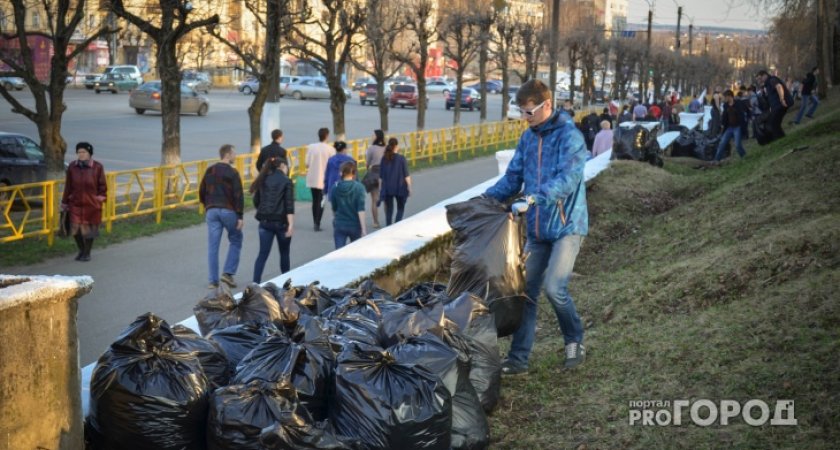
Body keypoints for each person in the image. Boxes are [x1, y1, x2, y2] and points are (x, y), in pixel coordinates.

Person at [483, 79, 588, 375]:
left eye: (530, 112)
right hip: (538, 230)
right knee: (525, 294)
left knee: (555, 288)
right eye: (522, 112)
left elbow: (568, 180)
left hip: (568, 226)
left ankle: (574, 340)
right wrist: (483, 201)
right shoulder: (528, 139)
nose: (525, 119)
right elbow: (512, 178)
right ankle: (518, 359)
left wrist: (533, 199)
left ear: (547, 105)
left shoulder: (570, 137)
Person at [199, 144, 244, 289]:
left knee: (213, 246)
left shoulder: (210, 170)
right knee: (236, 239)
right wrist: (240, 216)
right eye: (234, 153)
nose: (235, 156)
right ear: (228, 154)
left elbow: (202, 190)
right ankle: (228, 273)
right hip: (228, 211)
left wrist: (207, 205)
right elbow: (238, 195)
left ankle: (213, 281)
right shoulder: (233, 172)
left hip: (211, 211)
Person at [251, 157, 295, 283]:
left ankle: (255, 284)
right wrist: (291, 224)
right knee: (284, 253)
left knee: (262, 254)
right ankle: (286, 284)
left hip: (264, 222)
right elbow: (289, 205)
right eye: (287, 166)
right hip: (281, 223)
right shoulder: (286, 181)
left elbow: (256, 201)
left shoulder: (263, 179)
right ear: (282, 166)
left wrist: (263, 211)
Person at [61, 142, 106, 262]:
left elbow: (102, 186)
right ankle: (81, 250)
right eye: (79, 152)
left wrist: (99, 199)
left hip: (92, 204)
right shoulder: (72, 167)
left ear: (89, 153)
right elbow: (68, 186)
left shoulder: (97, 167)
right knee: (75, 229)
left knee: (89, 231)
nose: (81, 154)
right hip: (75, 203)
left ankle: (87, 253)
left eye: (84, 152)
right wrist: (65, 202)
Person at [329, 161, 367, 249]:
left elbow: (334, 207)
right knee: (355, 252)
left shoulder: (335, 187)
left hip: (340, 224)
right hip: (355, 225)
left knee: (339, 252)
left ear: (341, 173)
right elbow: (360, 209)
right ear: (354, 173)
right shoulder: (359, 187)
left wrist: (335, 219)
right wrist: (363, 228)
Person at [305, 127, 335, 231]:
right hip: (324, 178)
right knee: (321, 201)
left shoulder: (311, 147)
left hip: (313, 177)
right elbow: (332, 164)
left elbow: (307, 164)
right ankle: (317, 223)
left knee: (315, 200)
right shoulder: (330, 149)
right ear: (327, 136)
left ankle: (315, 221)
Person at [378, 137, 411, 225]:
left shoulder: (384, 159)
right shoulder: (401, 158)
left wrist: (380, 189)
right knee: (400, 208)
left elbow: (380, 177)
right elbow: (406, 175)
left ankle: (388, 227)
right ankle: (396, 225)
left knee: (389, 210)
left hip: (388, 188)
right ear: (396, 146)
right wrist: (409, 188)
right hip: (400, 188)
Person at [756, 69, 792, 140]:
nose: (759, 81)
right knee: (774, 123)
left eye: (760, 78)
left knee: (773, 123)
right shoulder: (766, 85)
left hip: (780, 105)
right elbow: (768, 99)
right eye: (758, 80)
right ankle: (781, 138)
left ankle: (780, 139)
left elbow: (779, 87)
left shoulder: (771, 80)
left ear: (765, 75)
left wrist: (782, 99)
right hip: (776, 106)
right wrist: (763, 92)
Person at [714, 90, 747, 162]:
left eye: (725, 97)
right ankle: (716, 160)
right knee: (722, 143)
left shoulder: (738, 104)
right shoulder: (725, 105)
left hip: (737, 127)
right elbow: (724, 117)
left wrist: (744, 129)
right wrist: (722, 125)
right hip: (729, 127)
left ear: (729, 96)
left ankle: (744, 157)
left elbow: (742, 116)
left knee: (738, 145)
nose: (724, 99)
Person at [363, 129, 386, 228]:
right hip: (385, 173)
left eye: (373, 135)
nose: (372, 137)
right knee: (386, 198)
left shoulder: (371, 148)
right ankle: (388, 220)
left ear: (377, 137)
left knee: (374, 199)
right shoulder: (386, 148)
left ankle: (376, 222)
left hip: (374, 173)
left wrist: (368, 166)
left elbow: (367, 163)